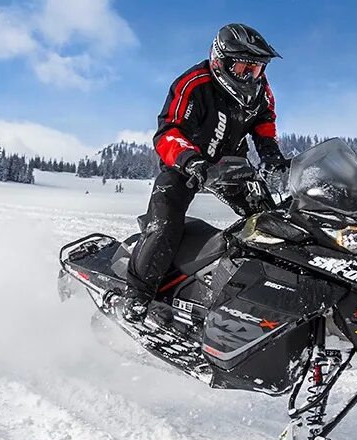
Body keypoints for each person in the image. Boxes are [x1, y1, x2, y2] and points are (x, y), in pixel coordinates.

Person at [121, 23, 290, 322]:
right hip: (186, 166)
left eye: (257, 70)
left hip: (232, 169)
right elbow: (168, 131)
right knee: (164, 226)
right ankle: (137, 295)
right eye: (243, 69)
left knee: (273, 223)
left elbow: (265, 122)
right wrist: (190, 160)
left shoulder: (261, 91)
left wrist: (271, 153)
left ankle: (270, 295)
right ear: (220, 60)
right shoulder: (194, 83)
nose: (251, 77)